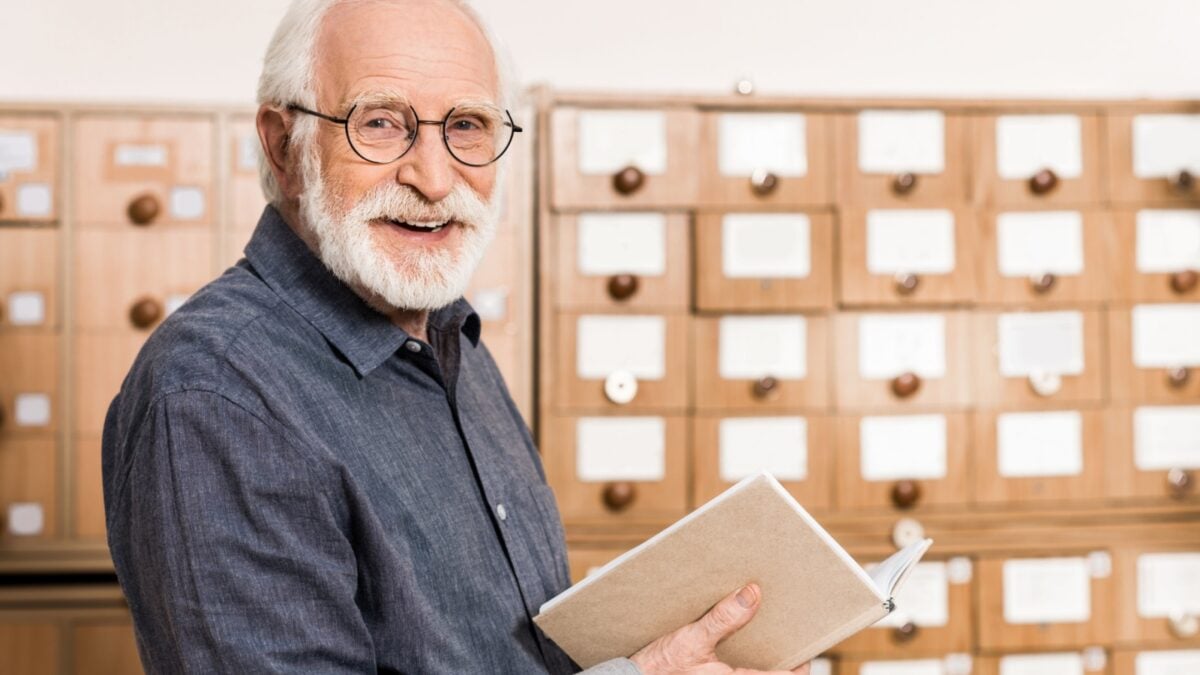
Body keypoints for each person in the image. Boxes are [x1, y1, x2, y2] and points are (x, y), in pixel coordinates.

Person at [102, 0, 812, 673]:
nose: (435, 178)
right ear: (284, 146)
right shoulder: (217, 395)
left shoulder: (451, 339)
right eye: (380, 123)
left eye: (468, 126)